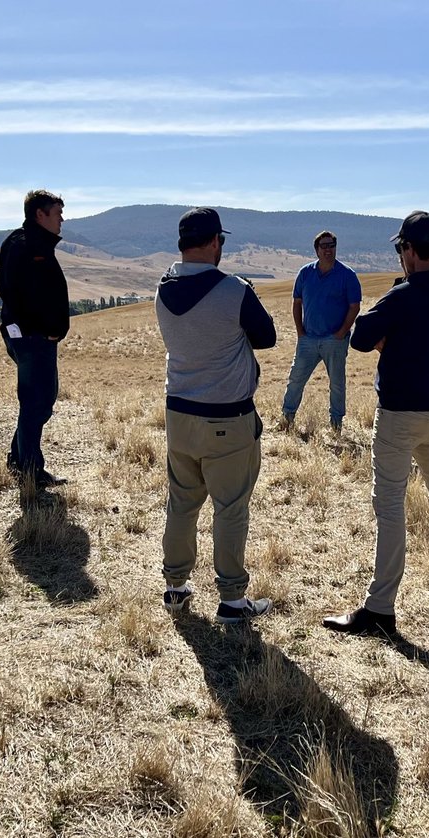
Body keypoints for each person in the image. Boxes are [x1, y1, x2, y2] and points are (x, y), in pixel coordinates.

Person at [322, 211, 429, 635]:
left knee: (389, 506)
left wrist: (391, 340)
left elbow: (360, 336)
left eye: (401, 249)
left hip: (398, 413)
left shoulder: (402, 295)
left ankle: (381, 607)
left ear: (409, 249)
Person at [155, 208, 278, 623]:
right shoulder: (234, 290)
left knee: (181, 502)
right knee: (230, 508)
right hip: (227, 417)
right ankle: (231, 600)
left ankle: (175, 586)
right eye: (220, 241)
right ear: (213, 242)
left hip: (179, 414)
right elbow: (267, 337)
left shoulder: (162, 289)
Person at [0, 189, 70, 486]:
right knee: (37, 401)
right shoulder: (24, 245)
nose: (62, 220)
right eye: (57, 213)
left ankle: (20, 461)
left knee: (40, 400)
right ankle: (29, 470)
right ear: (40, 214)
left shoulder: (32, 243)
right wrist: (38, 329)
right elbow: (11, 292)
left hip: (36, 337)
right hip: (32, 338)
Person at [280, 231, 362, 434]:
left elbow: (354, 306)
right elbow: (297, 303)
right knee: (296, 379)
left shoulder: (347, 275)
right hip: (308, 339)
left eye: (331, 245)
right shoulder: (305, 273)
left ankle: (336, 425)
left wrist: (341, 333)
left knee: (337, 384)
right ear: (316, 250)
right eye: (324, 246)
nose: (328, 250)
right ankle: (287, 418)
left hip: (334, 340)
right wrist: (300, 332)